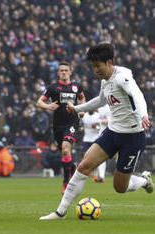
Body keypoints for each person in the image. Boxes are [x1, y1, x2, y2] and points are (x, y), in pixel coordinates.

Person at [40, 43, 153, 220]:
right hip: (113, 133)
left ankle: (144, 180)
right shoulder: (105, 82)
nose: (95, 70)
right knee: (84, 165)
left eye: (98, 66)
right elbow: (100, 101)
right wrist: (77, 108)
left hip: (132, 137)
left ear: (109, 62)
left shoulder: (122, 77)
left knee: (120, 187)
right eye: (93, 66)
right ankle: (60, 212)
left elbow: (137, 95)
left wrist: (144, 114)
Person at [36, 61, 86, 194]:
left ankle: (66, 182)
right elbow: (39, 102)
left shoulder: (76, 86)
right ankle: (72, 167)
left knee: (65, 148)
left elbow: (82, 98)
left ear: (70, 72)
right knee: (64, 153)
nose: (64, 72)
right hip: (58, 125)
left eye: (66, 70)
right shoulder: (53, 87)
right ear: (58, 73)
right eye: (61, 70)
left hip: (72, 123)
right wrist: (48, 106)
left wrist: (81, 110)